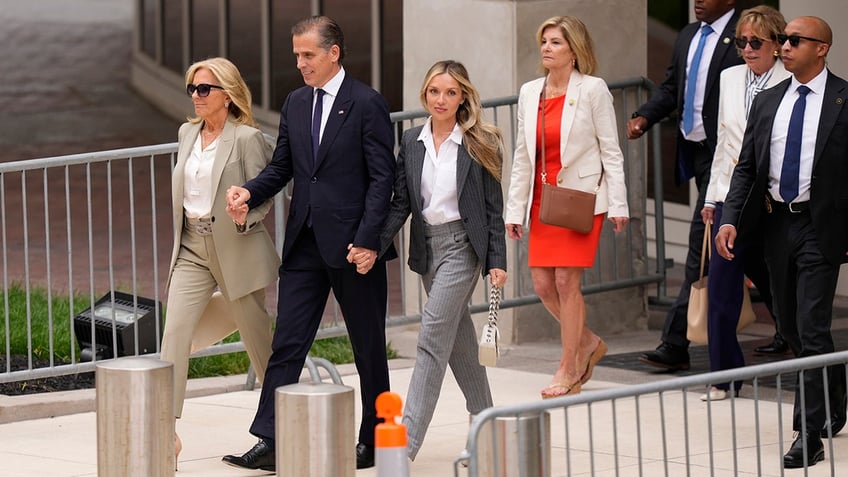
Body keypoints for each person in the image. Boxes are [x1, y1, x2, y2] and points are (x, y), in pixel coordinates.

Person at [221, 16, 396, 471]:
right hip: (304, 244)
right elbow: (283, 167)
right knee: (288, 342)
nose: (299, 64)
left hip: (354, 247)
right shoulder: (296, 103)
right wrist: (250, 191)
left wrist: (368, 240)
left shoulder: (366, 103)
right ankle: (272, 438)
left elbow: (383, 179)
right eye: (296, 55)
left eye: (308, 55)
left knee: (368, 346)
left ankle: (375, 440)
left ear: (333, 53)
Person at [715, 16, 848, 468]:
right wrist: (730, 218)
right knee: (791, 329)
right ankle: (835, 384)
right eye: (784, 39)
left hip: (818, 227)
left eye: (795, 40)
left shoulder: (844, 99)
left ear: (822, 48)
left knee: (811, 328)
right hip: (774, 226)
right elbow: (747, 168)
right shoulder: (770, 100)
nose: (784, 46)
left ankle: (807, 436)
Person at [363, 60, 507, 459]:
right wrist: (372, 243)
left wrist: (497, 261)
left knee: (430, 340)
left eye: (450, 92)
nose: (441, 100)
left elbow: (493, 209)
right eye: (434, 92)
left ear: (463, 96)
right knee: (459, 342)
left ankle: (403, 448)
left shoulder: (481, 141)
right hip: (428, 248)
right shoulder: (411, 141)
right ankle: (486, 422)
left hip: (464, 249)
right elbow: (401, 203)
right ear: (425, 94)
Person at [159, 57, 278, 466]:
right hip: (192, 247)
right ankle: (164, 432)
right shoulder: (186, 133)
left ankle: (281, 427)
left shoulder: (246, 139)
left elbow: (264, 193)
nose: (195, 96)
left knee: (258, 341)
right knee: (174, 333)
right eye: (192, 88)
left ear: (226, 95)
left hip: (235, 247)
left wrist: (247, 212)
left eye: (204, 89)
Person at [504, 16, 629, 399]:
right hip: (542, 201)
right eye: (544, 41)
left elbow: (611, 149)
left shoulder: (592, 89)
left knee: (565, 282)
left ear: (574, 51)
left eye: (556, 42)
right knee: (542, 285)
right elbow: (524, 157)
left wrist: (619, 203)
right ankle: (588, 341)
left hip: (579, 201)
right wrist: (514, 210)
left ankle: (569, 368)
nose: (546, 48)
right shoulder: (530, 93)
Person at [627, 0, 743, 371]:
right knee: (752, 251)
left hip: (728, 155)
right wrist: (645, 116)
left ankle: (675, 342)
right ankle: (787, 328)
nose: (698, 0)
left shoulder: (744, 34)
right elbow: (673, 86)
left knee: (700, 245)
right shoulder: (689, 35)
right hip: (694, 152)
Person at [698, 5, 788, 401]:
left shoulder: (791, 80)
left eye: (756, 42)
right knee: (721, 290)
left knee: (781, 290)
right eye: (741, 42)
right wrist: (711, 198)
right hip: (730, 201)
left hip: (773, 204)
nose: (747, 49)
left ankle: (806, 365)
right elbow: (724, 143)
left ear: (776, 44)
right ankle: (723, 377)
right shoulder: (729, 77)